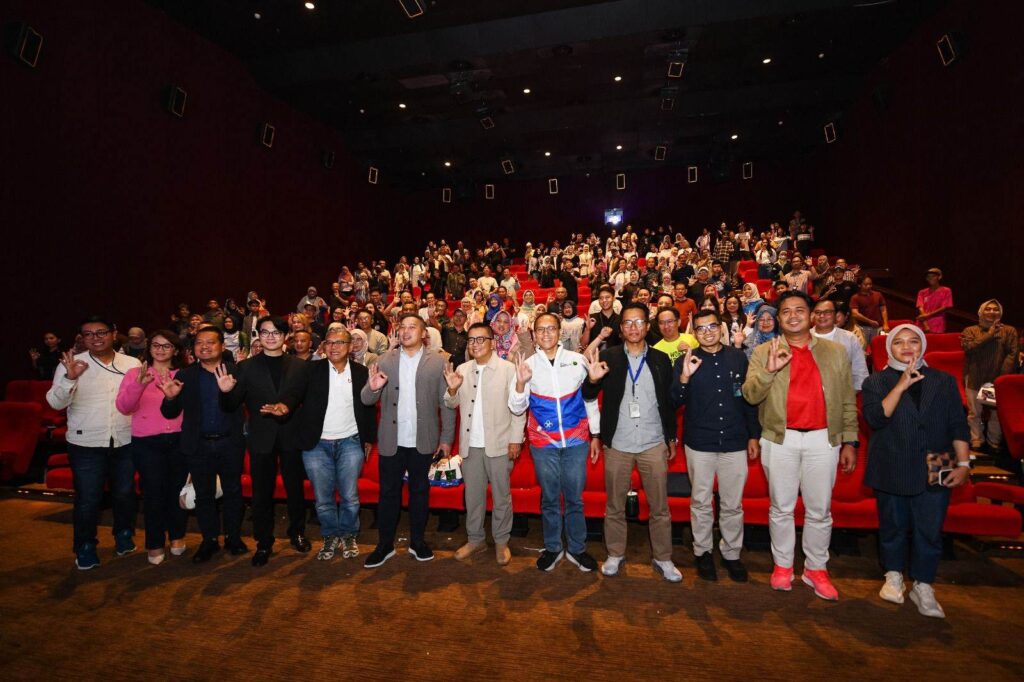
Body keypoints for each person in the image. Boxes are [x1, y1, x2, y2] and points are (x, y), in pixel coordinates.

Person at [742, 291, 858, 600]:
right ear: (778, 319)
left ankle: (816, 569)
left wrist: (850, 440)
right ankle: (782, 566)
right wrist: (769, 370)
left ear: (812, 315)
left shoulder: (835, 352)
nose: (793, 316)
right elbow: (750, 395)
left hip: (824, 438)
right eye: (786, 311)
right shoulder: (764, 351)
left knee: (819, 509)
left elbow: (848, 399)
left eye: (799, 310)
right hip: (780, 438)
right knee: (781, 507)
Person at [862, 325, 971, 618]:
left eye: (913, 341)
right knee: (893, 525)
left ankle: (923, 584)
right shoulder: (876, 381)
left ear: (923, 345)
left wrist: (963, 464)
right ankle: (893, 576)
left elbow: (957, 424)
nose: (907, 347)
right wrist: (900, 385)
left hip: (937, 462)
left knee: (930, 529)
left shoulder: (944, 381)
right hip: (892, 461)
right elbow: (875, 418)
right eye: (899, 342)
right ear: (889, 348)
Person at [582, 304, 681, 582]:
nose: (633, 327)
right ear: (621, 329)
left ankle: (663, 557)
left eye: (639, 322)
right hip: (618, 443)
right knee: (614, 506)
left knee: (660, 507)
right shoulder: (609, 356)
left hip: (653, 442)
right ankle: (615, 554)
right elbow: (588, 394)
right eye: (627, 322)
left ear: (647, 327)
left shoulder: (661, 359)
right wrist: (592, 381)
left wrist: (671, 436)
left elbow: (668, 403)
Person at [360, 314, 455, 568]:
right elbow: (367, 400)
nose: (405, 331)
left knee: (420, 493)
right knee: (388, 493)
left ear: (424, 333)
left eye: (412, 327)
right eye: (402, 327)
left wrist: (446, 439)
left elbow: (447, 404)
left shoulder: (439, 362)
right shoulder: (384, 360)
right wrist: (373, 388)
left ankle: (418, 542)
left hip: (423, 439)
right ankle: (385, 545)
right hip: (392, 439)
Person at [47, 316, 141, 570]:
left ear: (113, 333)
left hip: (125, 440)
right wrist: (70, 378)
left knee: (124, 494)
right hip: (85, 443)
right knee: (88, 498)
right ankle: (85, 546)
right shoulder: (71, 364)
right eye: (88, 334)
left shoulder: (131, 363)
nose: (95, 338)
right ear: (82, 338)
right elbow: (55, 403)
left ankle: (124, 535)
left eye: (101, 332)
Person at [672, 309, 760, 582]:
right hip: (700, 442)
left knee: (733, 504)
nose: (707, 332)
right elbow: (674, 401)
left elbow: (748, 399)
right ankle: (703, 552)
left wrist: (753, 435)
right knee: (700, 502)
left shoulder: (738, 357)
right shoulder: (686, 359)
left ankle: (731, 554)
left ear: (721, 328)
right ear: (695, 333)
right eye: (701, 328)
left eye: (712, 326)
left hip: (734, 439)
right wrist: (685, 377)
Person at [509, 313, 601, 572]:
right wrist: (520, 384)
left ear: (560, 331)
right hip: (543, 443)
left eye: (551, 328)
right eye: (541, 329)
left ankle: (577, 549)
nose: (546, 333)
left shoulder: (577, 361)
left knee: (574, 498)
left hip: (576, 440)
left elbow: (590, 401)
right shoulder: (527, 365)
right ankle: (552, 547)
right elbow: (516, 408)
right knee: (549, 498)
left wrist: (596, 434)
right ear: (534, 335)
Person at [219, 316, 312, 566]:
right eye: (265, 332)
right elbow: (231, 405)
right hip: (261, 437)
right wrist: (225, 392)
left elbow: (304, 398)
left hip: (291, 435)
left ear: (285, 336)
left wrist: (287, 406)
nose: (271, 337)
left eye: (276, 332)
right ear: (258, 335)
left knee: (295, 489)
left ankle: (297, 532)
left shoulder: (300, 366)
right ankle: (263, 542)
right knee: (261, 493)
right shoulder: (245, 367)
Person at [157, 326, 248, 563]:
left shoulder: (236, 372)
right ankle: (209, 540)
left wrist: (227, 392)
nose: (204, 347)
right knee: (203, 494)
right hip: (198, 445)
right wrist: (170, 398)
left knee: (233, 492)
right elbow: (170, 413)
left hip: (230, 443)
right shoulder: (185, 375)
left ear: (222, 346)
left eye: (210, 342)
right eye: (199, 343)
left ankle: (233, 537)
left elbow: (235, 405)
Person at [442, 323, 526, 565]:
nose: (475, 344)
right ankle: (475, 539)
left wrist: (515, 439)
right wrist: (452, 390)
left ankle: (501, 541)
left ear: (492, 342)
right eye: (471, 340)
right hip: (470, 445)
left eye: (480, 339)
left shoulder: (508, 369)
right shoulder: (462, 369)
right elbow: (450, 404)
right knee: (473, 497)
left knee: (501, 496)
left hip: (499, 443)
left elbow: (519, 408)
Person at [290, 327, 377, 561]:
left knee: (350, 496)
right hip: (316, 445)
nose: (333, 347)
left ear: (350, 347)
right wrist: (283, 405)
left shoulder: (361, 372)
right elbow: (293, 396)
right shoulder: (311, 370)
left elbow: (367, 408)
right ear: (323, 346)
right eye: (329, 342)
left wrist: (368, 438)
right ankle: (330, 535)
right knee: (323, 498)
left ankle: (348, 534)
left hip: (350, 442)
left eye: (339, 342)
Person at [115, 330, 187, 565]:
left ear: (175, 350)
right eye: (156, 345)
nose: (160, 350)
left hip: (179, 440)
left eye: (166, 346)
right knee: (154, 494)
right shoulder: (136, 373)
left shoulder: (183, 375)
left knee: (177, 492)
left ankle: (177, 535)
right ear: (149, 348)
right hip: (147, 442)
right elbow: (124, 407)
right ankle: (155, 543)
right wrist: (138, 385)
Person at [961, 300, 1019, 452]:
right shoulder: (970, 330)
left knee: (995, 413)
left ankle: (993, 441)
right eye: (988, 309)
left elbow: (1012, 354)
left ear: (1000, 313)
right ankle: (976, 440)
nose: (992, 312)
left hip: (997, 379)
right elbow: (969, 348)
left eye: (995, 309)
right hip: (974, 376)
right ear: (981, 312)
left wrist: (1000, 379)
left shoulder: (1009, 331)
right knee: (975, 412)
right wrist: (990, 334)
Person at [811, 298, 869, 391]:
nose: (822, 315)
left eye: (827, 312)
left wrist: (853, 393)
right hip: (811, 393)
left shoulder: (849, 338)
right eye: (818, 312)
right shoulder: (804, 337)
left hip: (843, 392)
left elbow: (860, 369)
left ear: (835, 315)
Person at [850, 276, 889, 345]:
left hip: (877, 327)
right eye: (865, 284)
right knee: (863, 347)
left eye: (870, 284)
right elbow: (855, 314)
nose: (868, 286)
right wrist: (870, 321)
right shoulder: (855, 297)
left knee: (876, 346)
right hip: (863, 327)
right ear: (859, 285)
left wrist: (885, 324)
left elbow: (883, 310)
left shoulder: (878, 295)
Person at [916, 268, 953, 333]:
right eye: (928, 277)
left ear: (939, 277)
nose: (930, 278)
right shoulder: (922, 292)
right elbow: (920, 307)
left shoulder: (946, 291)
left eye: (933, 276)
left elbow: (945, 307)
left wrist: (927, 315)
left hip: (937, 323)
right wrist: (925, 324)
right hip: (922, 323)